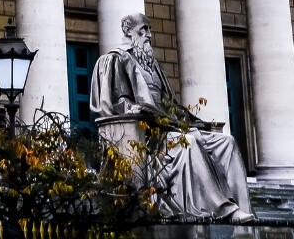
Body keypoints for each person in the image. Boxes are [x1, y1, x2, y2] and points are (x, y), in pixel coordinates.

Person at [90, 14, 255, 222]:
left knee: (227, 142)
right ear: (127, 31)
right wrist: (142, 112)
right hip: (146, 137)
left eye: (149, 30)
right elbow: (116, 103)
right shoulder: (115, 59)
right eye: (143, 30)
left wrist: (196, 122)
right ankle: (224, 209)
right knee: (190, 143)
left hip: (170, 129)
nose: (149, 35)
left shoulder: (152, 66)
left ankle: (243, 210)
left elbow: (171, 106)